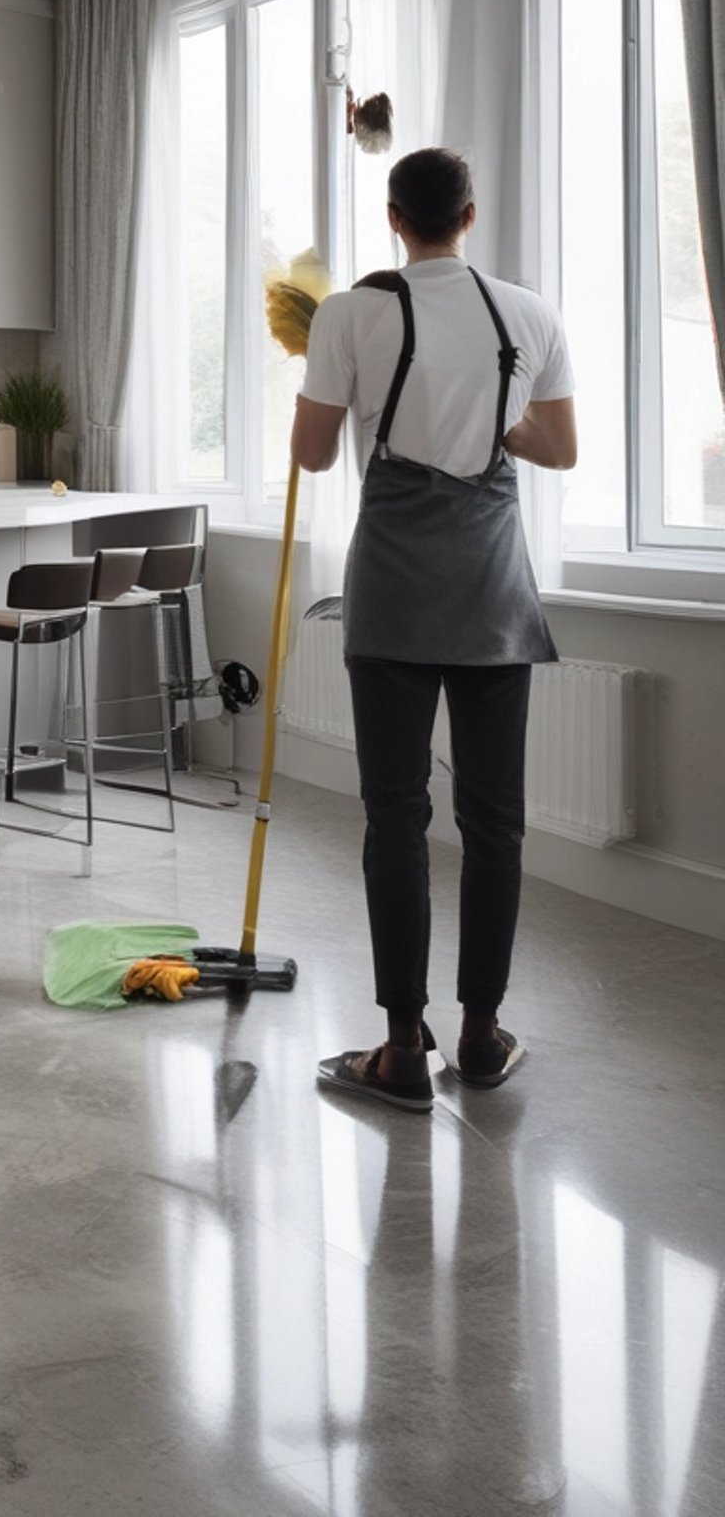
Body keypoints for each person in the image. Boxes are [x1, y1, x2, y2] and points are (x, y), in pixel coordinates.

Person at [294, 148, 577, 1113]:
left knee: (395, 817)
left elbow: (312, 452)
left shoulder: (352, 312)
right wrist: (492, 418)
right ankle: (483, 1035)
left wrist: (329, 374)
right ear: (469, 210)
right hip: (494, 589)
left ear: (392, 216)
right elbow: (561, 447)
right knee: (495, 825)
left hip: (393, 594)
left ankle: (402, 1048)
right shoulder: (528, 313)